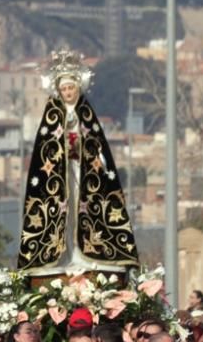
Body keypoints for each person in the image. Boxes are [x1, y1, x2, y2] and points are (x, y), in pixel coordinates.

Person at [16, 49, 139, 274]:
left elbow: (97, 146)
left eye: (71, 87)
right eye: (64, 89)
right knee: (63, 212)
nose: (68, 92)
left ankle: (84, 255)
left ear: (78, 87)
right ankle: (64, 256)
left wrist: (87, 153)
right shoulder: (51, 118)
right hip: (59, 177)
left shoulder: (86, 115)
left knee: (84, 210)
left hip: (83, 174)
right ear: (58, 91)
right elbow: (46, 150)